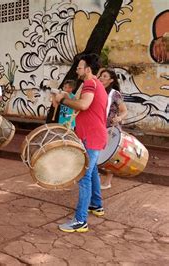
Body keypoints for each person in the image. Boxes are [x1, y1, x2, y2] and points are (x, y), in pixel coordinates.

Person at [54, 54, 108, 233]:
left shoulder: (90, 83)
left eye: (80, 66)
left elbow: (83, 105)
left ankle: (80, 220)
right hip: (94, 135)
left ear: (88, 70)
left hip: (92, 137)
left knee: (83, 175)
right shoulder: (93, 84)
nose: (77, 69)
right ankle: (96, 205)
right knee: (91, 172)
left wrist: (62, 99)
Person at [98, 68, 128, 189]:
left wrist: (119, 118)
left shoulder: (114, 94)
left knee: (111, 155)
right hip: (98, 127)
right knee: (97, 153)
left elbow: (124, 111)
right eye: (101, 75)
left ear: (111, 80)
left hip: (111, 129)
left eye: (105, 76)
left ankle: (108, 181)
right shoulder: (97, 91)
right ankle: (97, 178)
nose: (101, 78)